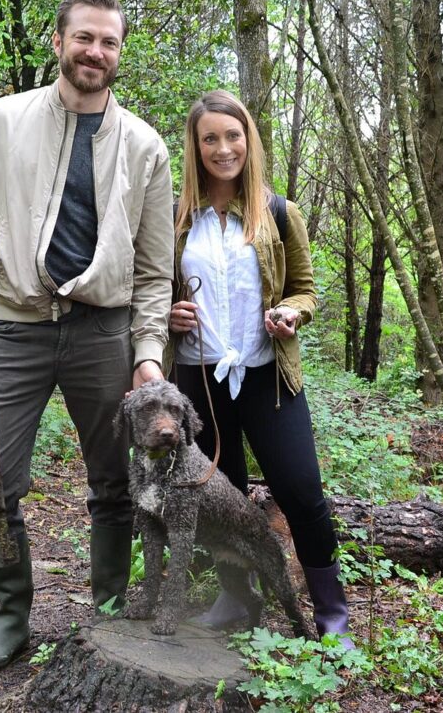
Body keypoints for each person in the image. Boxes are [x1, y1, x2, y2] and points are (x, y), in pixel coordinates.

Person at [0, 0, 174, 677]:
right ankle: (10, 616)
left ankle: (110, 611)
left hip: (104, 331)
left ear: (120, 51)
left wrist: (148, 354)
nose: (96, 51)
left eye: (109, 41)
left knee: (113, 481)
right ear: (58, 41)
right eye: (84, 37)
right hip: (14, 326)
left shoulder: (146, 147)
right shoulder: (4, 120)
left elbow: (155, 272)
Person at [168, 90, 354, 649]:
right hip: (198, 377)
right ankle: (237, 598)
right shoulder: (178, 220)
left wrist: (292, 313)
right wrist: (168, 313)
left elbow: (306, 289)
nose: (223, 149)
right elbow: (155, 289)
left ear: (249, 140)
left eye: (233, 136)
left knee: (301, 490)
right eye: (210, 139)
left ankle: (332, 615)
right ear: (196, 148)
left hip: (269, 376)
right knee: (220, 496)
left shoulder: (277, 212)